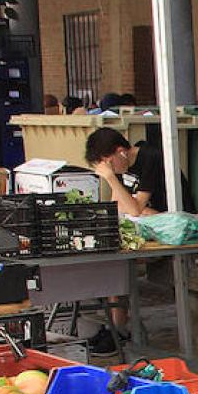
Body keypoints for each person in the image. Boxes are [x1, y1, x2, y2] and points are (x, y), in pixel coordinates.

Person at [83, 126, 154, 354]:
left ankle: (118, 328)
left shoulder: (150, 159)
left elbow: (133, 208)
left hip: (164, 222)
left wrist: (111, 178)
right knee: (111, 254)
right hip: (141, 219)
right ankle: (116, 327)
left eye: (110, 163)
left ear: (121, 151)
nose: (111, 169)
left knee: (119, 262)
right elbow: (118, 206)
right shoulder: (122, 167)